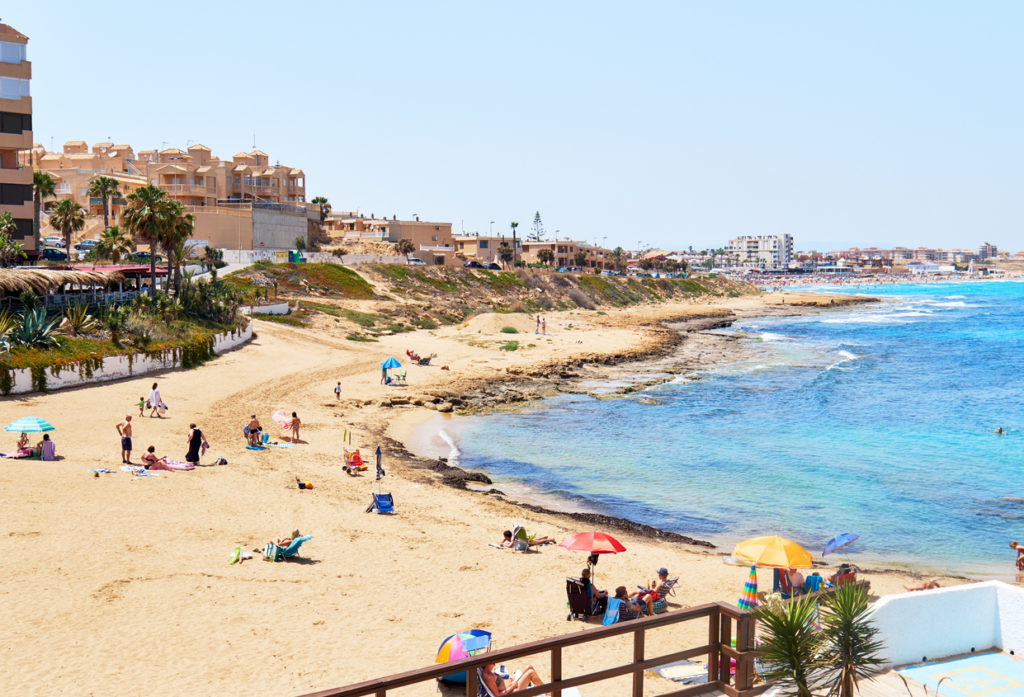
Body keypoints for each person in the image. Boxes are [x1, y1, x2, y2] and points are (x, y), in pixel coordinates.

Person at [479, 663, 546, 696]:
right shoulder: (488, 678)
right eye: (494, 663)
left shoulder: (488, 672)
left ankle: (546, 692)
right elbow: (498, 695)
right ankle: (549, 692)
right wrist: (512, 686)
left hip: (512, 683)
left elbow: (500, 683)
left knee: (528, 667)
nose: (495, 664)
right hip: (512, 692)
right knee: (531, 673)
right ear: (489, 664)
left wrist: (509, 680)